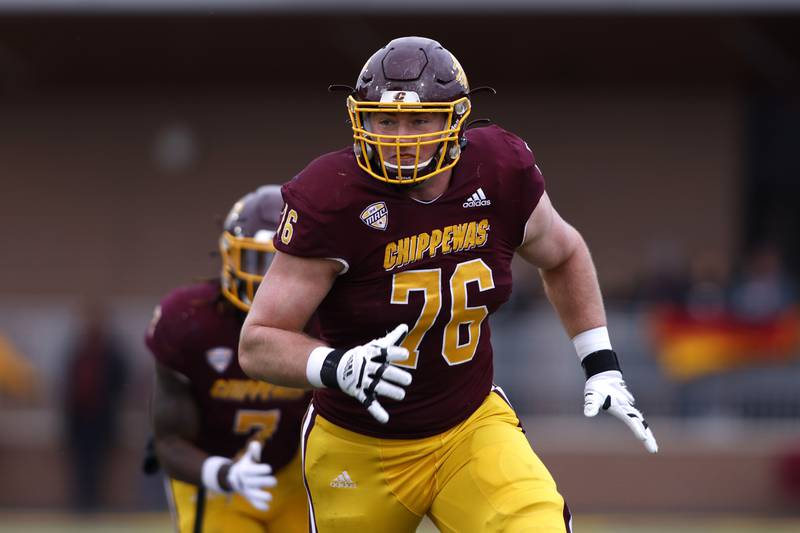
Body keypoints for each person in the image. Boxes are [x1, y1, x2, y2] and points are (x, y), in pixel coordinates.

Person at [239, 36, 658, 533]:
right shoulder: (331, 196)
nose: (401, 137)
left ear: (454, 121)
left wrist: (601, 364)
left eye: (420, 120)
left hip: (469, 427)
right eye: (386, 120)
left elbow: (564, 253)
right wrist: (334, 365)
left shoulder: (498, 170)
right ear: (362, 121)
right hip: (358, 443)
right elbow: (258, 342)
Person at [146, 185, 310, 533]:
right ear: (229, 257)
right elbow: (170, 441)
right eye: (256, 261)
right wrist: (222, 474)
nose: (267, 280)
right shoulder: (188, 322)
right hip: (215, 475)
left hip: (299, 473)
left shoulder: (328, 315)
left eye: (279, 263)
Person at [63, 301, 128, 512]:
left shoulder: (111, 351)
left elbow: (121, 380)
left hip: (101, 416)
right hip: (79, 417)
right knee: (80, 461)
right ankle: (81, 502)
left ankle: (96, 502)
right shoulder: (77, 349)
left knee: (100, 461)